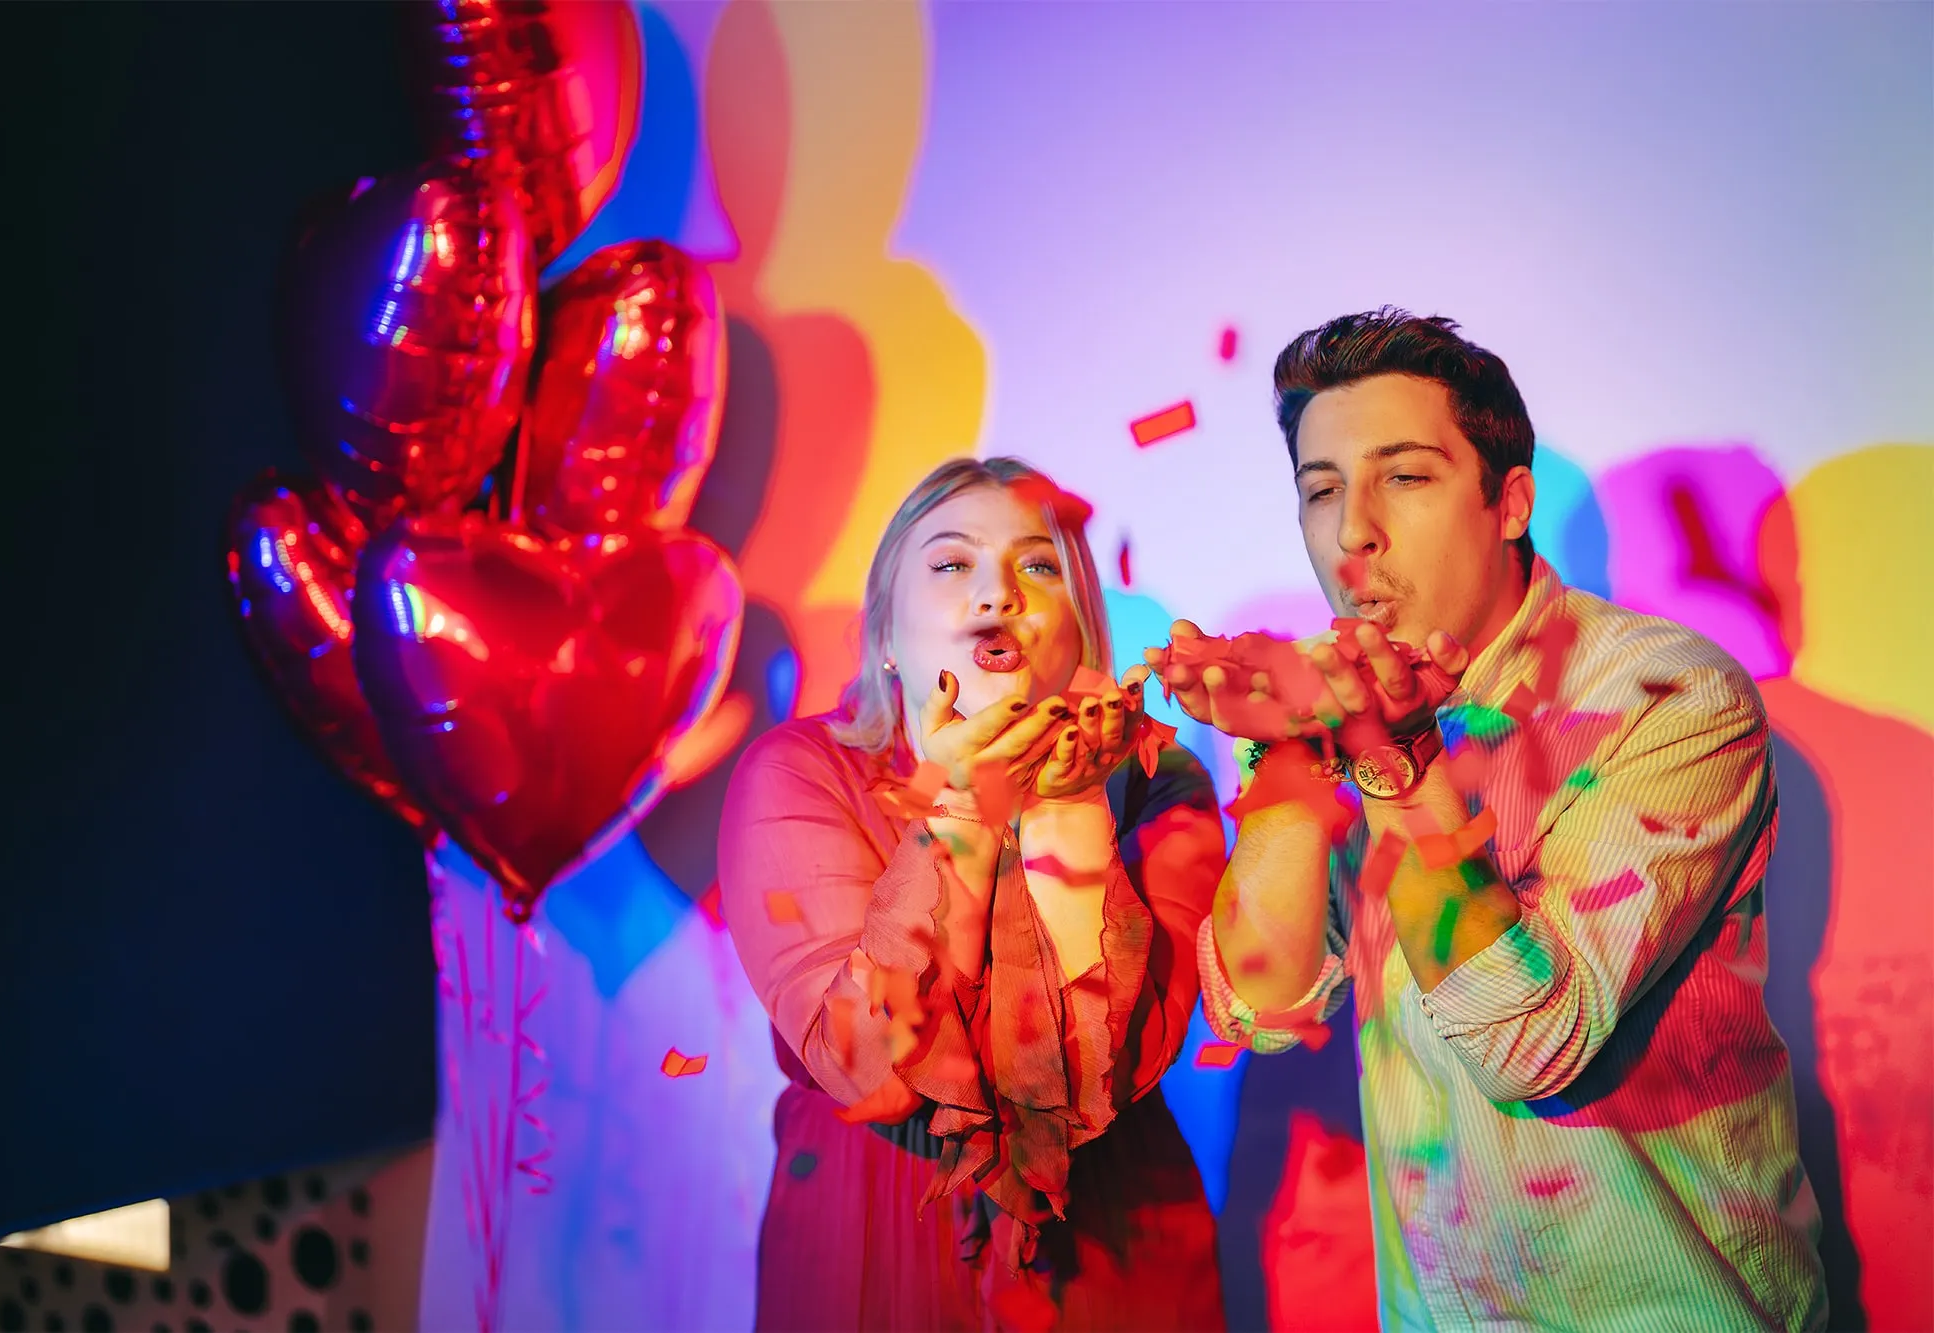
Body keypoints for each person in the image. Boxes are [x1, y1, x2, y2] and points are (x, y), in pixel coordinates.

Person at [1162, 310, 1826, 1330]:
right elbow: (1262, 1006)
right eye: (1321, 490)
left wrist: (1387, 754)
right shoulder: (1342, 700)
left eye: (1405, 475)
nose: (1352, 534)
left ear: (1508, 500)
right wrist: (1293, 754)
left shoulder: (1668, 695)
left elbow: (1528, 1041)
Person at [719, 458, 1228, 1331]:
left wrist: (1064, 801)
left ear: (1081, 629)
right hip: (874, 1239)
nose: (996, 594)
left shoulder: (1157, 781)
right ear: (885, 631)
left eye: (1038, 566)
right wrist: (963, 807)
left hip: (1114, 1250)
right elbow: (865, 1061)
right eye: (952, 564)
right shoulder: (801, 773)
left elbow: (1120, 1067)